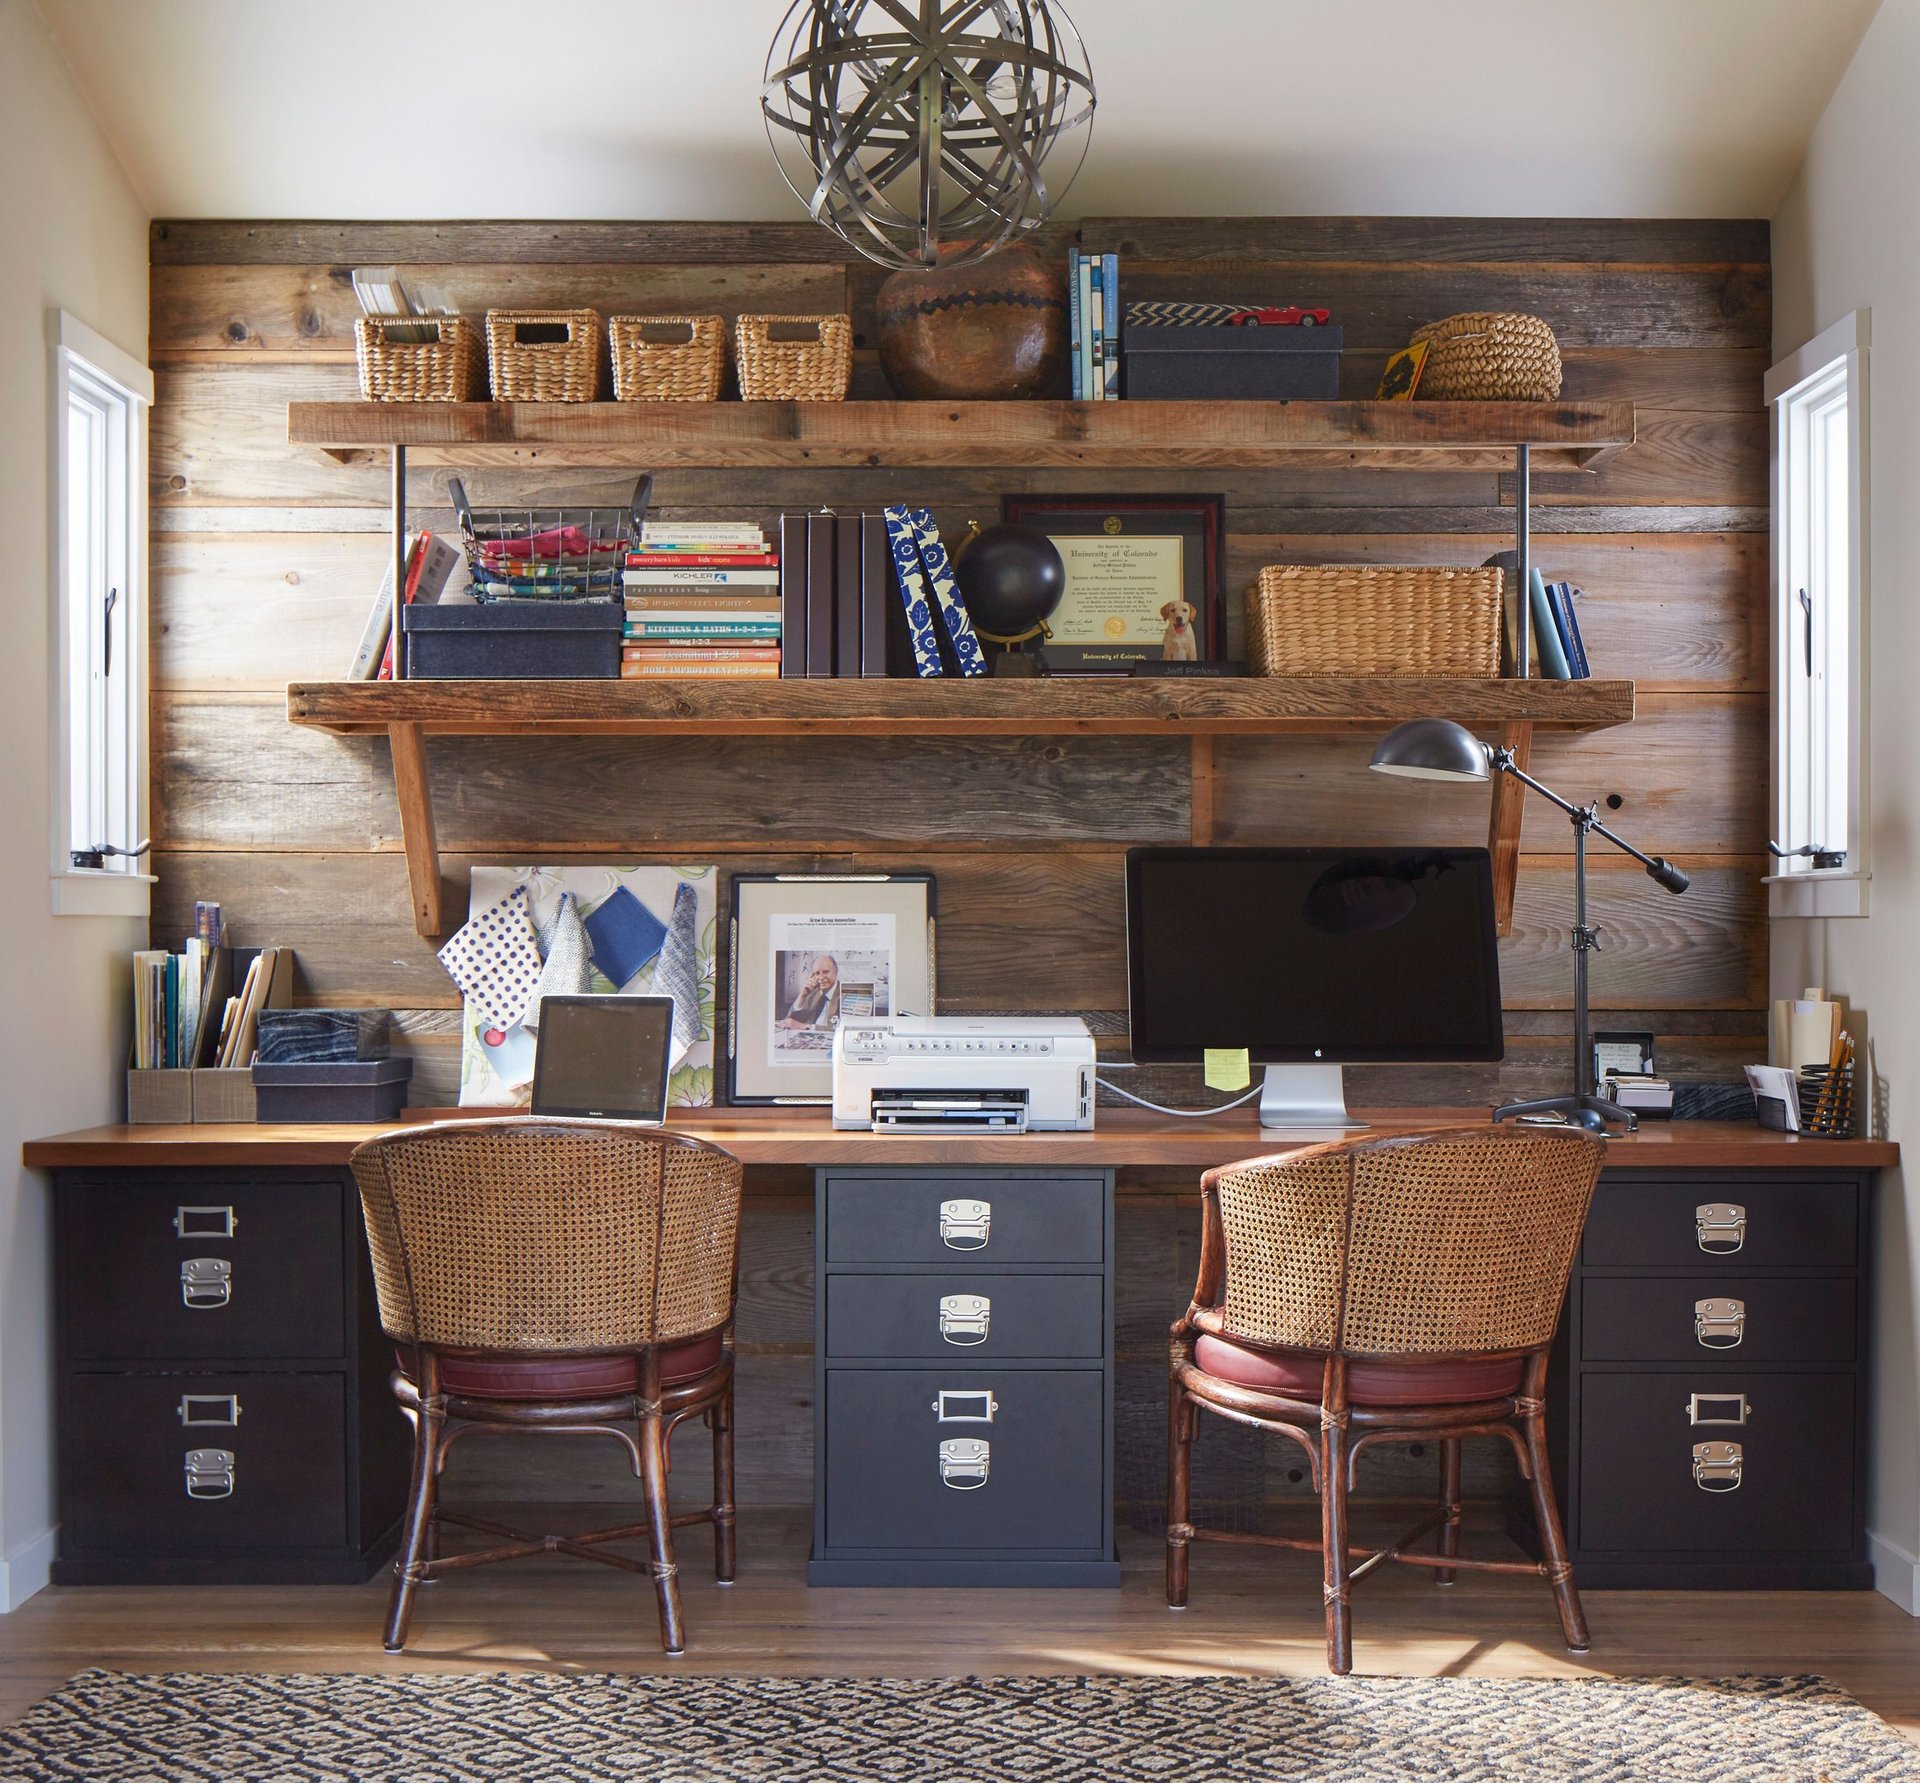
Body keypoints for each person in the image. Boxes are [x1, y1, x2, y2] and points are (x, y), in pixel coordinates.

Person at [776, 954, 840, 1029]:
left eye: (825, 972)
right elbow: (790, 1022)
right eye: (817, 973)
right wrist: (802, 996)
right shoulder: (811, 994)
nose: (821, 977)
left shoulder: (844, 994)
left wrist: (804, 1026)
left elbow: (837, 1029)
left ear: (836, 972)